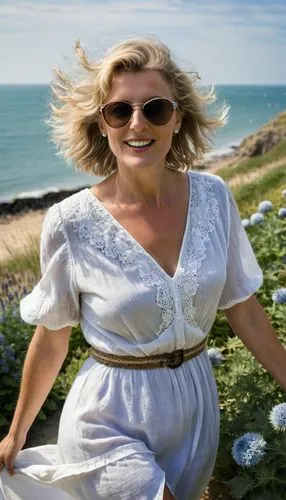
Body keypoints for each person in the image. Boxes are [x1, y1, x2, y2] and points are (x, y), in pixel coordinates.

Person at [0, 36, 285, 500]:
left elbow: (244, 307)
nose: (137, 123)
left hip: (195, 409)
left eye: (154, 109)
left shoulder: (215, 198)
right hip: (107, 418)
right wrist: (17, 432)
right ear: (102, 124)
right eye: (119, 111)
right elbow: (53, 336)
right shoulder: (69, 223)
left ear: (177, 118)